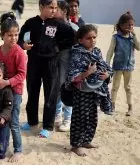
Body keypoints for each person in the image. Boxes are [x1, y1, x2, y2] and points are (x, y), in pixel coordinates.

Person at [18, 0, 75, 138]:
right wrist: (23, 45)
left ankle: (48, 126)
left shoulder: (59, 24)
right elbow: (20, 39)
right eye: (51, 7)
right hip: (33, 62)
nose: (54, 10)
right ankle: (32, 122)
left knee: (50, 95)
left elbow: (72, 38)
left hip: (51, 63)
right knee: (32, 92)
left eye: (55, 8)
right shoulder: (31, 23)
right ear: (41, 7)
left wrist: (57, 48)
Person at [65, 24, 112, 156]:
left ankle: (86, 140)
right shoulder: (76, 53)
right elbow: (72, 76)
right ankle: (76, 145)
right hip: (81, 91)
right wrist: (88, 73)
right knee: (80, 118)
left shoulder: (96, 51)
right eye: (88, 38)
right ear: (80, 40)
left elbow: (105, 66)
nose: (92, 40)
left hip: (95, 90)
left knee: (92, 117)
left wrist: (107, 75)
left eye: (94, 37)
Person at [0, 12, 26, 162]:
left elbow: (22, 75)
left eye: (16, 35)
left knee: (13, 121)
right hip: (0, 91)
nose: (14, 38)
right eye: (10, 35)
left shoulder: (19, 52)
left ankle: (18, 149)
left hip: (15, 91)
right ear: (2, 35)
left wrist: (7, 82)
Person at [106, 11, 139, 116]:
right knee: (115, 86)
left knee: (128, 87)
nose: (131, 27)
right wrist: (107, 64)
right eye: (128, 25)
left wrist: (134, 36)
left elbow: (139, 47)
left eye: (132, 25)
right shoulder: (116, 37)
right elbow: (110, 52)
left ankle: (130, 108)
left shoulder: (132, 38)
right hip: (117, 66)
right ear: (121, 25)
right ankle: (112, 105)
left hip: (129, 66)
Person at [54, 0, 79, 132]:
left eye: (56, 8)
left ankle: (67, 119)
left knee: (67, 89)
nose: (53, 11)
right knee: (56, 89)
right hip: (54, 64)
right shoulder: (50, 27)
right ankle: (57, 115)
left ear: (64, 11)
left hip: (69, 65)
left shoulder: (74, 28)